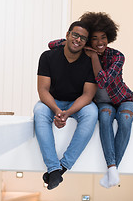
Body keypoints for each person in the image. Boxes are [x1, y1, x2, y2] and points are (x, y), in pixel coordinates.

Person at [48, 12, 133, 189]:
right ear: (89, 40)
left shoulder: (117, 56)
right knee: (104, 117)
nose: (99, 42)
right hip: (104, 103)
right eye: (95, 38)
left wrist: (94, 57)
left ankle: (112, 169)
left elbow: (103, 81)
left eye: (103, 37)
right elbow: (52, 45)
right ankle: (112, 169)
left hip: (125, 100)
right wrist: (77, 41)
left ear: (109, 37)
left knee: (125, 119)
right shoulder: (83, 51)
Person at [34, 21, 98, 190]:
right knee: (39, 110)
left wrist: (67, 113)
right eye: (75, 35)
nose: (78, 40)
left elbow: (88, 95)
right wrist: (56, 110)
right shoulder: (47, 57)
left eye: (83, 38)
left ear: (86, 42)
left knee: (92, 113)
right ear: (68, 35)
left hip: (77, 104)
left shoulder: (89, 62)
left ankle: (61, 167)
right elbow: (43, 90)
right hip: (52, 101)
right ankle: (53, 167)